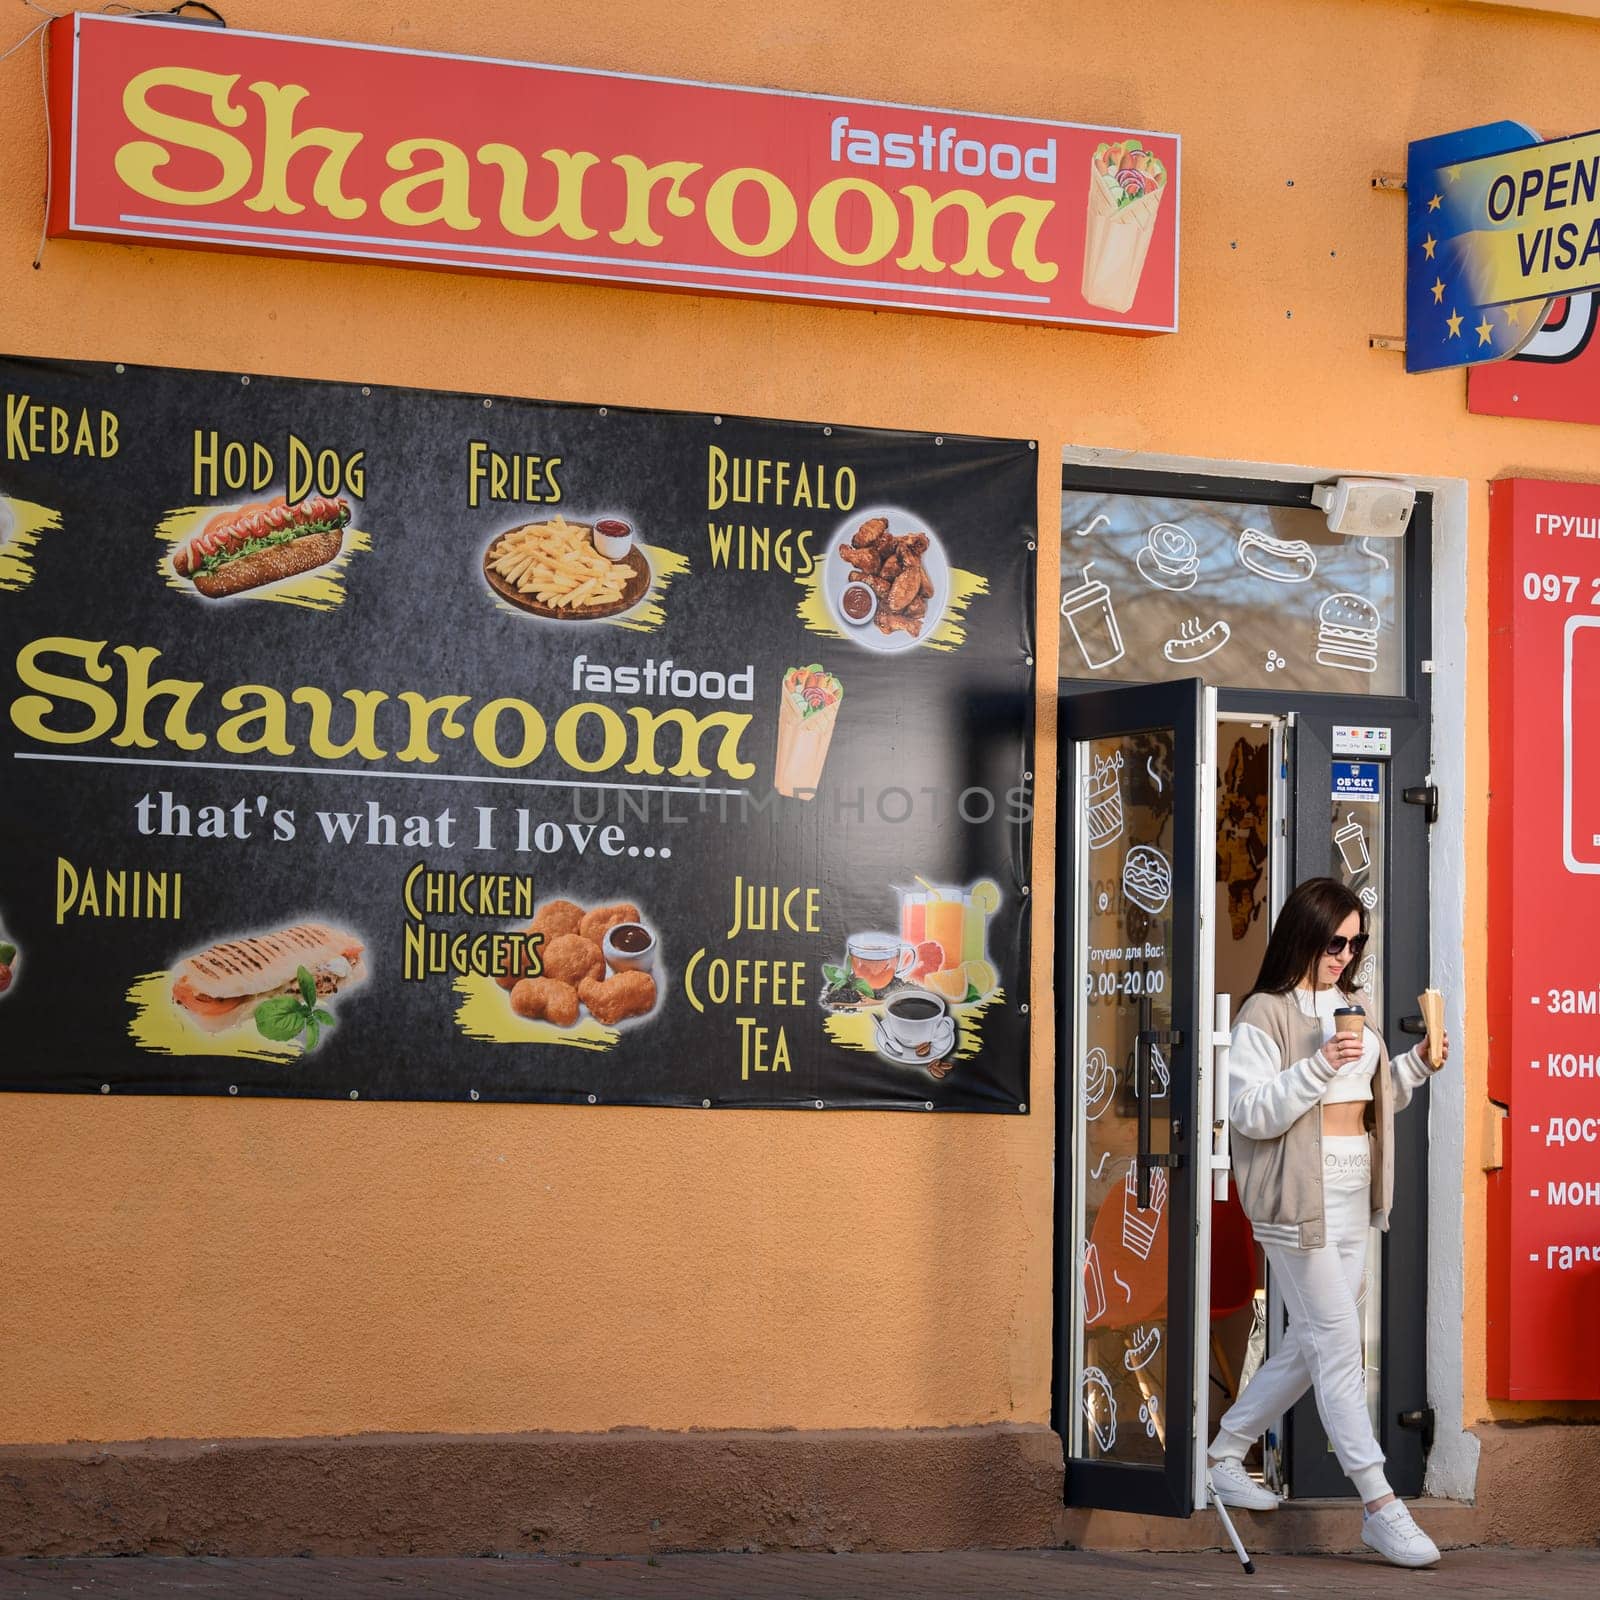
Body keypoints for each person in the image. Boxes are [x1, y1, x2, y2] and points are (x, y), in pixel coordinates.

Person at [1205, 877, 1449, 1569]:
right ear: (1304, 934)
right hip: (1294, 1202)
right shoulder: (1266, 1013)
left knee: (1311, 1344)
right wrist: (1316, 1064)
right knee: (1339, 1345)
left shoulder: (1352, 1008)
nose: (1346, 953)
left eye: (1356, 941)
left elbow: (1372, 1099)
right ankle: (1379, 1504)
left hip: (1350, 1194)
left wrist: (1415, 1066)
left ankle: (1224, 1454)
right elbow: (1250, 1112)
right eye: (1335, 940)